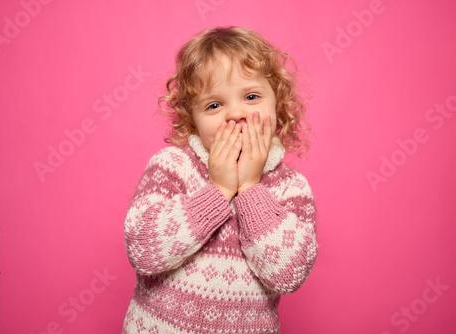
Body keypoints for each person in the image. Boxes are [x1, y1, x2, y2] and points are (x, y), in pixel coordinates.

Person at [122, 26, 318, 334]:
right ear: (192, 119)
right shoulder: (173, 167)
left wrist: (250, 187)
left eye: (251, 96)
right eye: (214, 105)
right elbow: (144, 251)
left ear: (277, 106)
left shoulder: (290, 187)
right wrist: (219, 189)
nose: (236, 113)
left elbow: (289, 274)